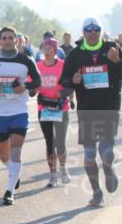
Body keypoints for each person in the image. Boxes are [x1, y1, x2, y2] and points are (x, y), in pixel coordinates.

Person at [0, 26, 42, 206]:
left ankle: (9, 191)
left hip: (18, 111)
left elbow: (37, 80)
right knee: (4, 156)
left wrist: (25, 86)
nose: (8, 41)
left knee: (16, 151)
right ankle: (14, 172)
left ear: (16, 41)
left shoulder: (25, 60)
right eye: (4, 38)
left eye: (11, 38)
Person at [59, 17, 122, 208]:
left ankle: (108, 167)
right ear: (83, 32)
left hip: (109, 106)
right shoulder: (76, 54)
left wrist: (117, 61)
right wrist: (73, 81)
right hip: (86, 109)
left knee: (107, 151)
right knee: (88, 156)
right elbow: (64, 81)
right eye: (89, 29)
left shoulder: (113, 49)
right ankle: (97, 193)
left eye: (96, 29)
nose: (93, 32)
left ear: (101, 31)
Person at [36, 38, 71, 187]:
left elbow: (71, 85)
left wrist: (63, 93)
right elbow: (32, 85)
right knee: (50, 143)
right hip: (44, 108)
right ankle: (52, 175)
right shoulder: (37, 66)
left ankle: (63, 169)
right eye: (45, 48)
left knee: (60, 143)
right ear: (42, 50)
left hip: (60, 108)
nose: (48, 51)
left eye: (51, 48)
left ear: (56, 51)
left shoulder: (64, 66)